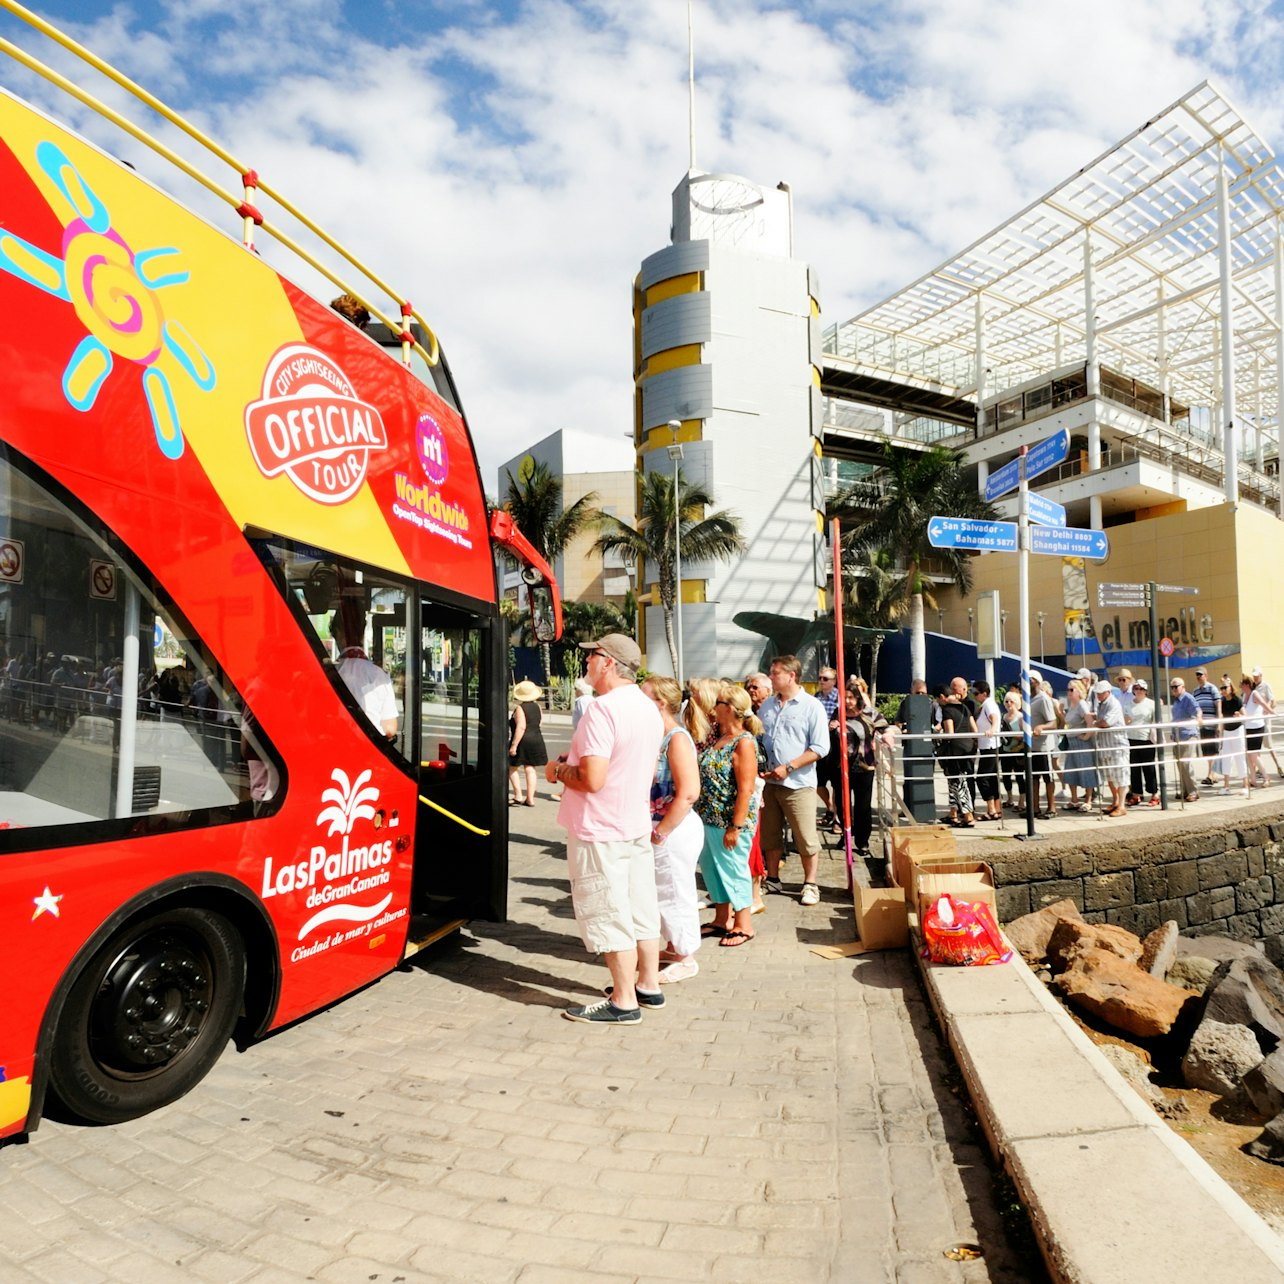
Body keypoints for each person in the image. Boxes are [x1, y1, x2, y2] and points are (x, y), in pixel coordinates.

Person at [547, 634, 664, 1024]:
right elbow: (640, 770)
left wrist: (557, 770)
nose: (587, 662)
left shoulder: (602, 710)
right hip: (631, 821)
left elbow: (592, 778)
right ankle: (648, 983)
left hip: (600, 827)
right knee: (640, 907)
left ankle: (624, 999)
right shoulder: (648, 708)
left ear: (608, 662)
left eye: (592, 656)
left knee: (608, 910)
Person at [640, 676, 704, 983]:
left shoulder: (676, 738)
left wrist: (661, 831)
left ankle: (685, 955)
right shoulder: (660, 736)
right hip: (664, 825)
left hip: (673, 828)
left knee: (675, 891)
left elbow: (689, 792)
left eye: (645, 698)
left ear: (661, 704)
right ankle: (673, 945)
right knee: (663, 889)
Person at [695, 684, 763, 947]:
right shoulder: (719, 736)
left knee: (734, 869)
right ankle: (722, 918)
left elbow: (746, 788)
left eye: (719, 703)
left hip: (730, 823)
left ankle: (743, 924)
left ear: (731, 709)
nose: (714, 707)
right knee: (712, 869)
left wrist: (735, 826)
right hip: (708, 818)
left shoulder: (744, 742)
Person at [758, 654, 829, 906]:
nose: (771, 676)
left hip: (798, 784)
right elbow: (759, 738)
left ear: (791, 675)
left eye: (775, 672)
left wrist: (789, 767)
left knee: (805, 836)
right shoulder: (767, 706)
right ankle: (773, 878)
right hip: (768, 783)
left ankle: (810, 883)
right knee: (770, 834)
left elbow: (820, 747)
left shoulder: (811, 706)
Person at [333, 607, 398, 741]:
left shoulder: (329, 673)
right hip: (370, 749)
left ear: (339, 634)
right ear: (362, 633)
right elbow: (390, 729)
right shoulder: (380, 675)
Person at [935, 686, 976, 827]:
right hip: (968, 747)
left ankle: (968, 816)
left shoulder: (947, 710)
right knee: (954, 782)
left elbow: (950, 733)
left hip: (955, 750)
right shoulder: (965, 708)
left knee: (958, 782)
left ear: (941, 697)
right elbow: (974, 729)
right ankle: (953, 813)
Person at [1086, 679, 1128, 817]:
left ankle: (1121, 805)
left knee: (1121, 775)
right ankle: (1116, 801)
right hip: (1106, 745)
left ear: (1108, 692)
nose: (1098, 696)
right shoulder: (1102, 704)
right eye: (1097, 693)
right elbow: (1102, 722)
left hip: (1116, 745)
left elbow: (1105, 722)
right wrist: (1097, 722)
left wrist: (1094, 723)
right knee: (1109, 776)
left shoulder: (1113, 703)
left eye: (1100, 693)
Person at [507, 679, 548, 806]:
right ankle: (530, 798)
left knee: (512, 767)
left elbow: (521, 727)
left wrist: (514, 746)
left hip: (523, 740)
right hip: (536, 738)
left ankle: (518, 795)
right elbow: (539, 723)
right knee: (530, 768)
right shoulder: (538, 707)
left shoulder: (520, 708)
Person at [1060, 678, 1097, 812]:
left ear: (1079, 691)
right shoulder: (1072, 705)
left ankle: (1088, 800)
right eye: (1068, 689)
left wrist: (1086, 736)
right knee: (1070, 770)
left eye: (1071, 689)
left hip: (1081, 743)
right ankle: (1074, 799)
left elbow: (1090, 722)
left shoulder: (1082, 704)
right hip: (1072, 742)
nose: (1068, 692)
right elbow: (1069, 722)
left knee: (1086, 770)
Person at [1028, 670, 1059, 818]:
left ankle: (1052, 808)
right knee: (1033, 777)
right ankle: (1035, 808)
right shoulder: (1028, 699)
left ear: (1038, 683)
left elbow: (1053, 722)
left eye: (1031, 680)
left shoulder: (1043, 699)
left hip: (1044, 746)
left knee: (1048, 777)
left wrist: (1041, 727)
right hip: (1032, 745)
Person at [814, 667, 842, 832]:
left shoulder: (840, 698)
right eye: (820, 678)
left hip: (835, 743)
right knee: (818, 782)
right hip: (819, 742)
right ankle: (830, 808)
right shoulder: (816, 697)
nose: (822, 681)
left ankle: (837, 817)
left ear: (833, 681)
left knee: (837, 783)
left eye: (825, 678)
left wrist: (839, 723)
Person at [1125, 679, 1159, 806]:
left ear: (1145, 691)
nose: (1138, 691)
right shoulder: (1128, 705)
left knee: (1149, 768)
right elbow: (1125, 720)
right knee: (1134, 769)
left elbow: (1156, 721)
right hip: (1131, 738)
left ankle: (1154, 793)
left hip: (1146, 739)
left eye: (1141, 689)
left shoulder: (1151, 704)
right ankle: (1136, 794)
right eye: (1136, 688)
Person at [1169, 676, 1201, 802]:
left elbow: (1197, 709)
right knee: (1180, 763)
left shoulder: (1188, 697)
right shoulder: (1176, 701)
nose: (1174, 689)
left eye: (1176, 686)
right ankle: (1185, 790)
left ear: (1183, 686)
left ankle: (1193, 791)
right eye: (1172, 687)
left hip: (1188, 734)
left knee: (1185, 763)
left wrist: (1199, 718)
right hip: (1178, 735)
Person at [1215, 678, 1249, 797]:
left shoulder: (1237, 700)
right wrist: (1220, 729)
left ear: (1231, 688)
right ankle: (1226, 786)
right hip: (1227, 731)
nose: (1223, 690)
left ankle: (1245, 785)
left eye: (1225, 687)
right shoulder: (1222, 701)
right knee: (1226, 758)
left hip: (1237, 730)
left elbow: (1245, 715)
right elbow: (1221, 716)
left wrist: (1239, 715)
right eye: (1222, 688)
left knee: (1240, 757)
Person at [1189, 667, 1220, 785]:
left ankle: (1211, 774)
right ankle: (1212, 773)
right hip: (1202, 725)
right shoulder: (1195, 691)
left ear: (1206, 676)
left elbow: (1218, 705)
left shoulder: (1212, 688)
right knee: (1207, 750)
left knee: (1213, 749)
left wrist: (1219, 723)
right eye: (1197, 675)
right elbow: (1194, 707)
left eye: (1201, 675)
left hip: (1211, 723)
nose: (1198, 677)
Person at [1246, 668, 1276, 787]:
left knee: (1268, 746)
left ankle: (1274, 770)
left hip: (1261, 722)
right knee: (1253, 754)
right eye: (1254, 676)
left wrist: (1270, 711)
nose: (1255, 678)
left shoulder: (1264, 687)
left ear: (1261, 675)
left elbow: (1271, 701)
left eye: (1257, 676)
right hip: (1252, 725)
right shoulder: (1249, 692)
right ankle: (1254, 777)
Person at [999, 689, 1026, 812]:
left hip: (1017, 750)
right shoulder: (1003, 717)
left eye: (1011, 701)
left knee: (1020, 776)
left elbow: (1024, 735)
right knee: (1005, 775)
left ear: (1017, 703)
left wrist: (1012, 735)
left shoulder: (1020, 717)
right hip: (1006, 750)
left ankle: (1022, 801)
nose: (1009, 703)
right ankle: (1010, 798)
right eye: (1006, 701)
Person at [683, 676, 720, 752]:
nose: (691, 696)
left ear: (707, 696)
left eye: (695, 693)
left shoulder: (720, 726)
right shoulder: (694, 719)